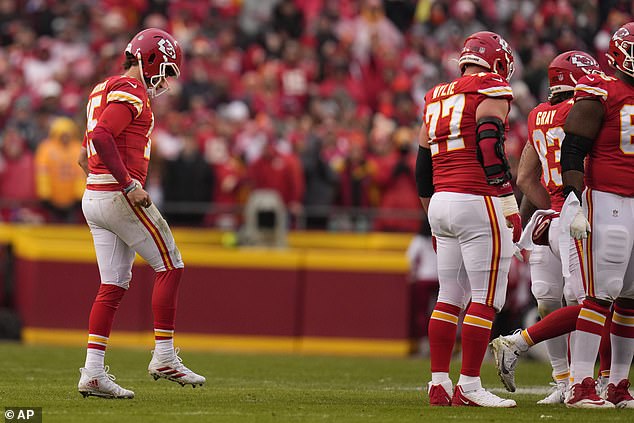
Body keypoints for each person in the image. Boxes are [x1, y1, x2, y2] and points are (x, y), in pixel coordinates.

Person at [77, 28, 205, 399]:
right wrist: (128, 184)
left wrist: (105, 178)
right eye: (164, 70)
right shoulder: (131, 90)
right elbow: (102, 136)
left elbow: (86, 153)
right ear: (148, 58)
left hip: (95, 195)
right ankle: (164, 356)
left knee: (113, 285)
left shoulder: (102, 88)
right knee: (171, 264)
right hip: (118, 195)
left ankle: (93, 372)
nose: (164, 81)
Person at [490, 51, 602, 405]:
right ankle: (589, 381)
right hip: (576, 216)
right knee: (595, 303)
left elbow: (524, 177)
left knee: (549, 302)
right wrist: (572, 207)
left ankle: (562, 380)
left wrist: (549, 208)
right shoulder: (582, 111)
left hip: (547, 219)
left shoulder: (539, 114)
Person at [415, 31, 520, 407]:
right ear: (497, 61)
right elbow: (489, 142)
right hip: (477, 198)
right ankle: (470, 385)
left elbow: (422, 163)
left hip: (441, 200)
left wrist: (430, 212)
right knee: (485, 297)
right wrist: (507, 201)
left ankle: (439, 383)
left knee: (449, 297)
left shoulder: (436, 95)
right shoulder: (490, 88)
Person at [556, 22, 634, 409]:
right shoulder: (600, 88)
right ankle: (580, 384)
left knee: (632, 298)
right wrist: (572, 199)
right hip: (607, 199)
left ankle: (618, 384)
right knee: (600, 293)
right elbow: (572, 148)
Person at [34, 117, 85, 222]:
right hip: (51, 201)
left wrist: (79, 196)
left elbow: (81, 174)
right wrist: (45, 195)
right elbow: (42, 173)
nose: (65, 137)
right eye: (62, 134)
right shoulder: (46, 148)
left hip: (73, 202)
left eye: (67, 134)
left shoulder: (77, 148)